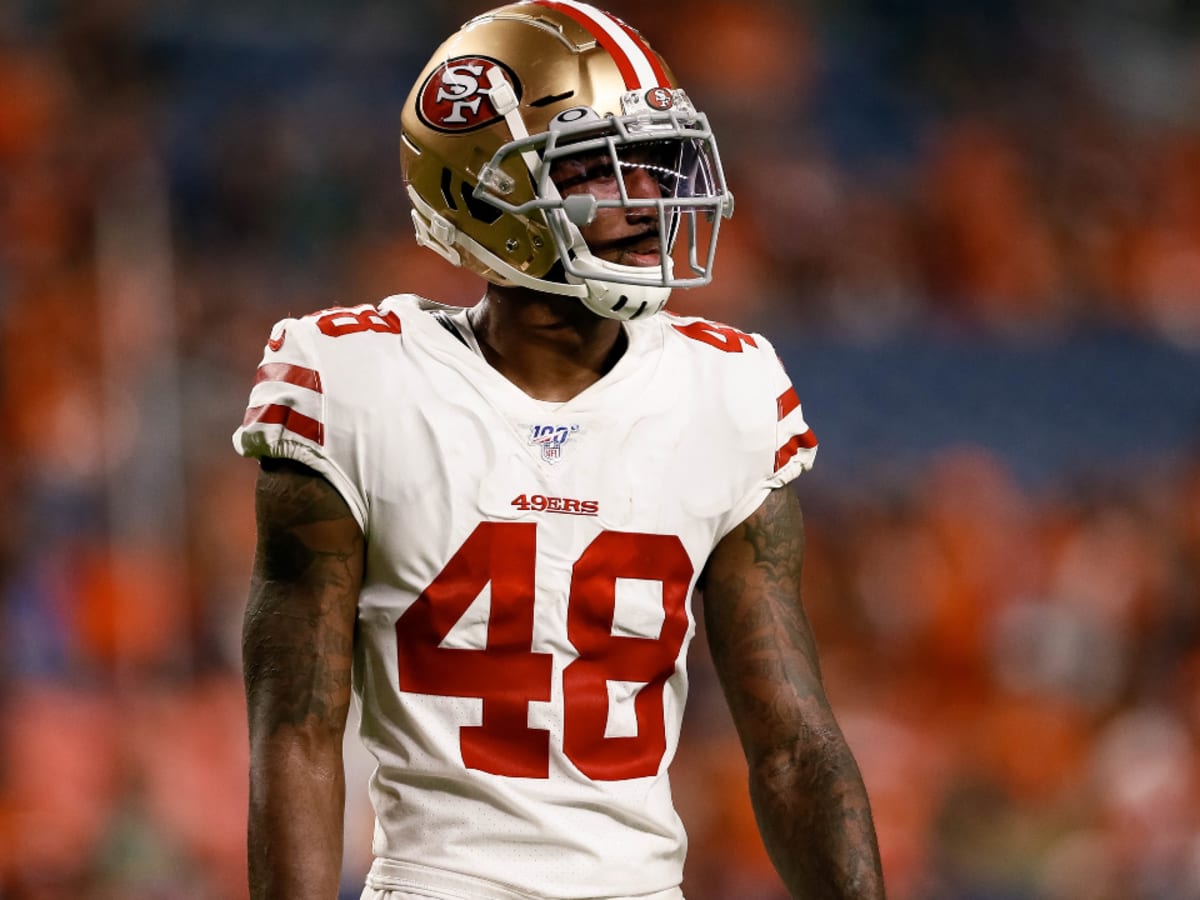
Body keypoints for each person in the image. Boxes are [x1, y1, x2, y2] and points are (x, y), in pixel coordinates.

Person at [234, 2, 886, 898]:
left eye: (656, 166)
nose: (649, 201)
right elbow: (296, 731)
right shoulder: (355, 381)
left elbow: (791, 743)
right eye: (601, 172)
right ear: (482, 191)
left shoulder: (725, 390)